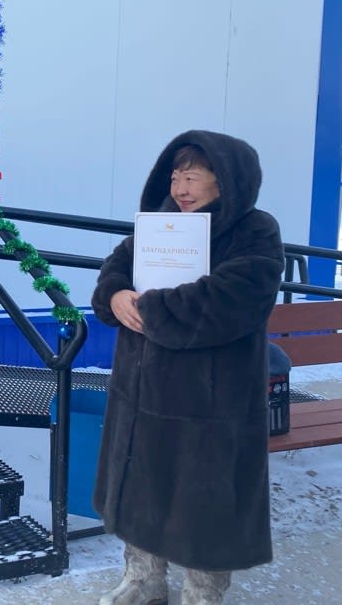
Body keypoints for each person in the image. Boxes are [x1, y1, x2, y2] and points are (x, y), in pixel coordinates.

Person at [91, 130, 284, 605]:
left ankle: (203, 591)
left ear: (226, 180)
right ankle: (143, 578)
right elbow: (116, 268)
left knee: (206, 501)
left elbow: (233, 300)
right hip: (141, 389)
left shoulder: (254, 231)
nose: (180, 187)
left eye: (192, 177)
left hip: (211, 398)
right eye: (176, 176)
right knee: (141, 485)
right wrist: (115, 295)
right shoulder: (160, 224)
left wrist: (149, 308)